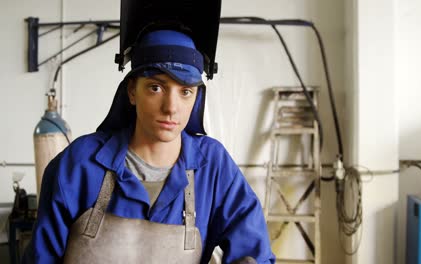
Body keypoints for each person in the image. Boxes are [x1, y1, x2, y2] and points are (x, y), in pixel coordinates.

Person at [22, 28, 275, 264]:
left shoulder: (213, 167)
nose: (171, 107)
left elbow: (255, 253)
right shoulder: (79, 164)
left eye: (185, 91)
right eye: (156, 87)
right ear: (132, 91)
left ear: (197, 97)